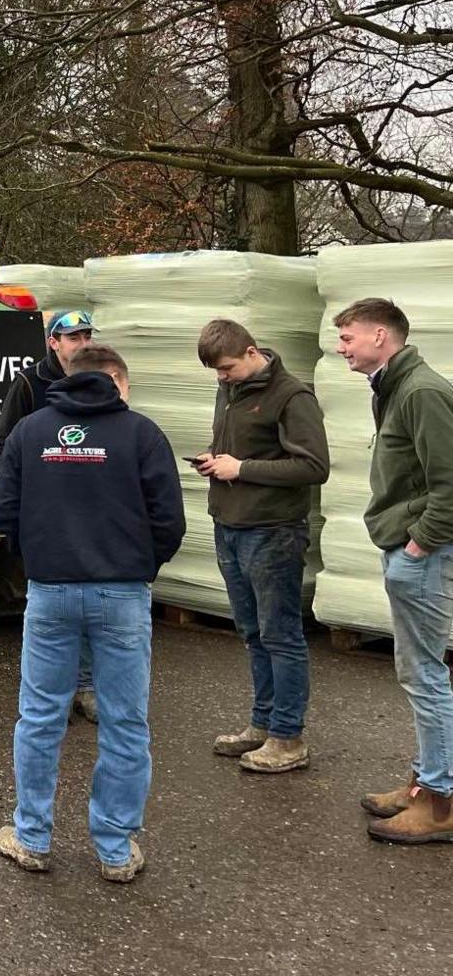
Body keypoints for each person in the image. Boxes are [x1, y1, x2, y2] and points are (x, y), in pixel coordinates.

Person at [0, 343, 185, 882]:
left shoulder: (30, 433)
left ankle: (31, 836)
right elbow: (169, 519)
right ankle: (115, 850)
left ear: (68, 376)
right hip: (121, 594)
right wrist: (140, 565)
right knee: (125, 722)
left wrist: (40, 560)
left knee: (39, 716)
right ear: (117, 381)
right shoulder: (142, 434)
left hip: (49, 591)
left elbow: (4, 513)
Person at [333, 298, 453, 844]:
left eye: (349, 337)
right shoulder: (396, 386)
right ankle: (424, 783)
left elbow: (450, 484)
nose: (342, 348)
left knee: (425, 674)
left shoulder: (421, 391)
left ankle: (440, 803)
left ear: (381, 336)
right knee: (418, 672)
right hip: (409, 549)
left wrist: (417, 548)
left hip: (422, 555)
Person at [191, 319, 329, 773]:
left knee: (280, 634)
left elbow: (313, 466)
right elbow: (237, 451)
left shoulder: (292, 396)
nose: (221, 377)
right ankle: (262, 724)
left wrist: (242, 468)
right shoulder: (230, 389)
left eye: (227, 368)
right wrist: (217, 462)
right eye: (216, 372)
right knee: (252, 633)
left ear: (252, 353)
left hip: (273, 531)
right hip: (229, 525)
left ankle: (288, 737)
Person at [0, 308, 102, 723]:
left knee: (90, 603)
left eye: (87, 335)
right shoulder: (28, 384)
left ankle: (88, 686)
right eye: (73, 337)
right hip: (47, 517)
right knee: (50, 609)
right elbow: (5, 447)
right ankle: (54, 690)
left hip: (91, 514)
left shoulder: (100, 380)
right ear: (53, 343)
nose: (83, 343)